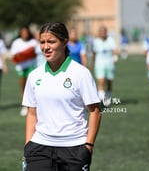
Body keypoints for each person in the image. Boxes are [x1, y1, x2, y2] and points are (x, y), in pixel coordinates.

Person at [22, 22, 102, 171]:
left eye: (51, 41)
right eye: (42, 42)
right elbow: (31, 113)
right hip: (39, 148)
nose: (46, 47)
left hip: (74, 149)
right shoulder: (34, 76)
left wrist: (88, 147)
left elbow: (95, 111)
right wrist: (28, 145)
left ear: (65, 42)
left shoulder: (81, 74)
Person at [10, 26, 38, 116]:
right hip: (21, 67)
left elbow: (35, 53)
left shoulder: (33, 41)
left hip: (31, 66)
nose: (25, 34)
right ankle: (25, 106)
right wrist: (23, 55)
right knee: (23, 87)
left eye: (26, 32)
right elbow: (14, 56)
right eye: (23, 32)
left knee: (32, 87)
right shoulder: (16, 42)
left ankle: (34, 105)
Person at [92, 26, 118, 106]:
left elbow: (115, 50)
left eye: (104, 32)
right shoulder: (96, 41)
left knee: (109, 82)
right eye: (101, 32)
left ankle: (108, 97)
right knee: (101, 81)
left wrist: (114, 58)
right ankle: (102, 99)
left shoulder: (110, 40)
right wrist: (93, 63)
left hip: (109, 64)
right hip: (99, 64)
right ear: (99, 33)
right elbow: (94, 53)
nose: (103, 33)